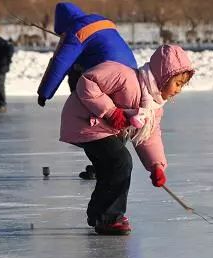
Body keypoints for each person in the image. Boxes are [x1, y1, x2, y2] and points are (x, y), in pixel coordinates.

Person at [59, 44, 194, 235]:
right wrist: (110, 111)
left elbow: (148, 136)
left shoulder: (154, 106)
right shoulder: (124, 76)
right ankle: (110, 218)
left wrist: (156, 165)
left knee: (111, 170)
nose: (179, 90)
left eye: (183, 85)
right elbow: (87, 82)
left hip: (107, 129)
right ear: (163, 77)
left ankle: (98, 213)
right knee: (120, 162)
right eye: (178, 83)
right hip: (85, 121)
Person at [36, 2, 138, 180]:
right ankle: (104, 165)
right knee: (116, 120)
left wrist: (45, 92)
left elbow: (60, 63)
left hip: (106, 76)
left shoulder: (76, 31)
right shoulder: (101, 21)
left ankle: (105, 166)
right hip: (130, 74)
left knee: (94, 121)